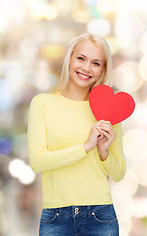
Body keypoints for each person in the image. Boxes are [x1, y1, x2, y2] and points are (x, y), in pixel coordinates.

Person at [27, 33, 126, 236]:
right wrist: (86, 147)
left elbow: (119, 173)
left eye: (96, 63)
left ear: (103, 69)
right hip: (56, 217)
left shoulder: (109, 111)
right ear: (70, 59)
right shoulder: (43, 104)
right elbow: (37, 162)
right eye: (81, 58)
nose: (86, 68)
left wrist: (104, 152)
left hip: (100, 216)